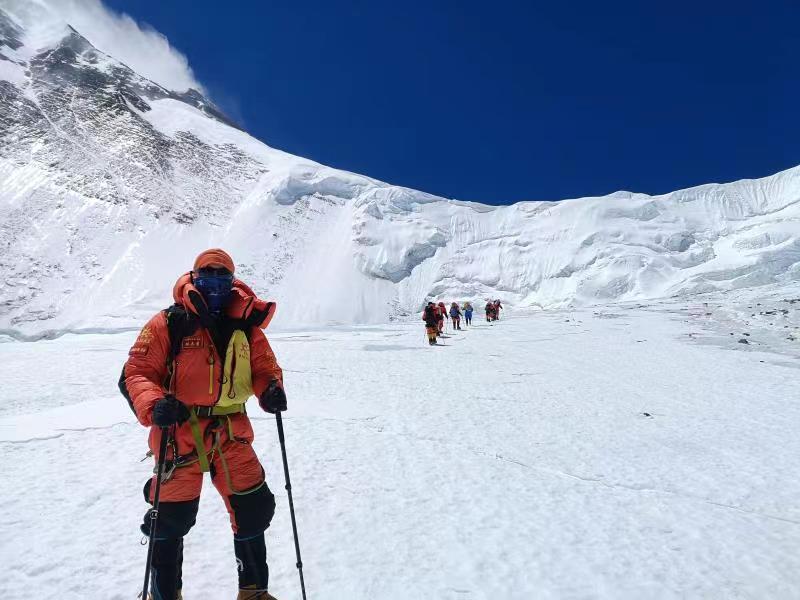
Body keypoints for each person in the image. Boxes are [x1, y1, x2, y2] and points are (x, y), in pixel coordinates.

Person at [121, 249, 285, 600]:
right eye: (206, 272)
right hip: (179, 434)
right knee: (170, 519)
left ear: (232, 280)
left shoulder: (245, 325)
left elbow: (264, 367)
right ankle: (165, 595)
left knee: (253, 508)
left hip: (232, 432)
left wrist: (271, 389)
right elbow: (136, 372)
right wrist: (154, 403)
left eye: (221, 274)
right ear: (194, 277)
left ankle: (254, 593)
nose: (214, 280)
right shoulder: (169, 322)